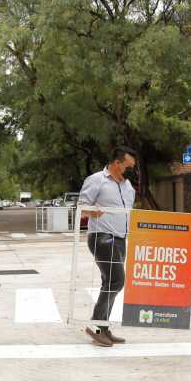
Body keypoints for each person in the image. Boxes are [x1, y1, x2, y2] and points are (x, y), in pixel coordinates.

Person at [78, 146, 137, 347]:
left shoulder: (128, 186)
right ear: (116, 163)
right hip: (102, 237)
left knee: (110, 282)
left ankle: (103, 329)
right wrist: (94, 212)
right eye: (128, 166)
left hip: (121, 238)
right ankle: (98, 324)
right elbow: (82, 206)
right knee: (117, 280)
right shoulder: (97, 180)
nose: (131, 170)